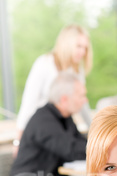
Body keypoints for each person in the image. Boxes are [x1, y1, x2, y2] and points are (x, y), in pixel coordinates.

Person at [14, 24, 92, 153]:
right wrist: (18, 141)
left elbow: (82, 103)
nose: (83, 52)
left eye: (85, 48)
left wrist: (93, 130)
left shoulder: (77, 70)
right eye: (79, 46)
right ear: (67, 44)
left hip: (61, 128)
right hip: (42, 128)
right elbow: (29, 103)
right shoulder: (44, 63)